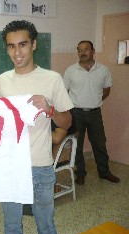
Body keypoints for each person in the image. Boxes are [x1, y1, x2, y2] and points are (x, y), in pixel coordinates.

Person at [0, 20, 73, 234]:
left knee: (46, 228)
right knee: (11, 228)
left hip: (40, 167)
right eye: (11, 46)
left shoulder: (52, 79)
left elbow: (67, 123)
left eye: (22, 44)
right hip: (9, 166)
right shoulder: (2, 81)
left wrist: (50, 109)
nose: (17, 52)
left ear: (34, 44)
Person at [64, 40, 120, 185]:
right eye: (79, 50)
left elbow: (107, 88)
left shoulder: (103, 70)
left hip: (95, 113)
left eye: (86, 49)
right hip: (76, 113)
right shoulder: (71, 70)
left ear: (93, 51)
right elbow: (64, 91)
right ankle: (80, 173)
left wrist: (95, 100)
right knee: (77, 144)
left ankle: (104, 172)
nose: (82, 53)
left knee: (100, 143)